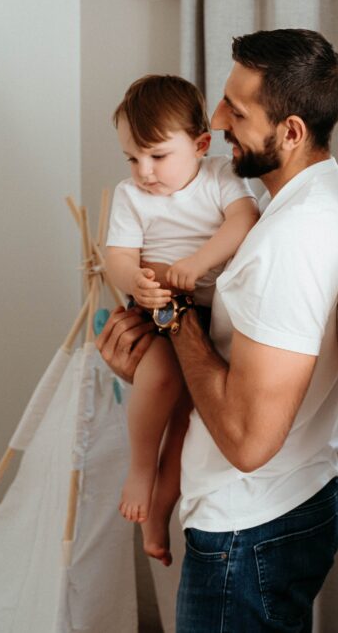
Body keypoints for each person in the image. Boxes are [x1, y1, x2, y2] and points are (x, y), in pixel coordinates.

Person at [98, 28, 338, 632]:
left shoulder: (290, 239)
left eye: (235, 110)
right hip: (288, 497)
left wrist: (170, 314)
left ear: (290, 132)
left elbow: (246, 441)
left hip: (249, 527)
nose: (214, 121)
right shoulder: (311, 203)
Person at [103, 74, 259, 567]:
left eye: (157, 156)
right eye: (132, 157)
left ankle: (158, 515)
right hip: (158, 313)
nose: (144, 171)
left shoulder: (219, 176)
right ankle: (140, 470)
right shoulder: (132, 196)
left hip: (210, 315)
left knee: (191, 427)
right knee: (161, 378)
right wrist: (137, 281)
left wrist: (197, 263)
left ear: (200, 145)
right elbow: (118, 256)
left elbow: (244, 221)